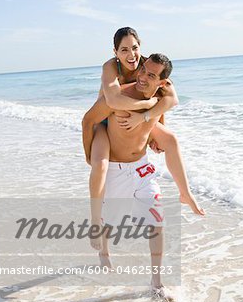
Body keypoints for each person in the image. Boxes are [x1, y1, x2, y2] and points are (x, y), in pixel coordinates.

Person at [82, 54, 205, 300]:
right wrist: (88, 154)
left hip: (142, 170)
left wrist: (152, 131)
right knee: (109, 221)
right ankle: (103, 248)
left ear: (162, 82)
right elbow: (88, 120)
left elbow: (170, 105)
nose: (142, 77)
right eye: (143, 70)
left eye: (151, 75)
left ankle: (157, 283)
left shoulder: (161, 97)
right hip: (116, 170)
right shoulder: (119, 97)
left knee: (156, 223)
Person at [87, 27, 203, 250]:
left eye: (135, 48)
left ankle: (185, 193)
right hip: (105, 121)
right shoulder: (111, 67)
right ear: (115, 52)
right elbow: (113, 101)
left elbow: (170, 97)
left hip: (136, 118)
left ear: (141, 46)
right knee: (100, 167)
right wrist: (147, 106)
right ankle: (94, 221)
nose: (131, 54)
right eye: (124, 50)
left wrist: (153, 125)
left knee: (171, 140)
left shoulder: (147, 65)